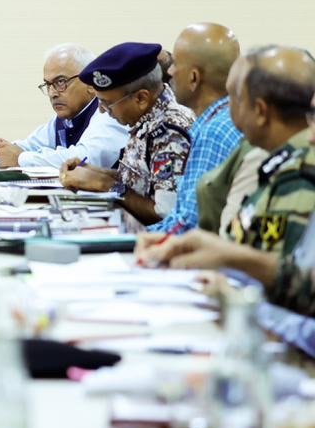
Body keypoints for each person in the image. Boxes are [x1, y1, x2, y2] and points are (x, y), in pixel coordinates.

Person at [138, 46, 315, 266]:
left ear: (260, 111)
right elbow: (245, 239)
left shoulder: (298, 172)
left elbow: (281, 274)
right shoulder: (275, 162)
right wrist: (197, 246)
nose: (226, 109)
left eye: (233, 97)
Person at [60, 42, 195, 225]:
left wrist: (107, 185)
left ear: (141, 98)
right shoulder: (146, 117)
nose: (102, 110)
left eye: (108, 103)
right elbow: (141, 183)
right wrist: (94, 173)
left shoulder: (168, 133)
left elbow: (165, 214)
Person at [149, 23, 243, 234]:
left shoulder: (214, 133)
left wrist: (131, 240)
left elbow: (189, 225)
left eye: (175, 64)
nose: (170, 72)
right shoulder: (227, 120)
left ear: (193, 77)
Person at [0, 44, 128, 169]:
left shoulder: (110, 112)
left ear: (90, 83)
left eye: (60, 82)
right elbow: (32, 145)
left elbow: (85, 159)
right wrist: (6, 148)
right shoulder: (64, 119)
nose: (52, 93)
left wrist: (20, 158)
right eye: (48, 85)